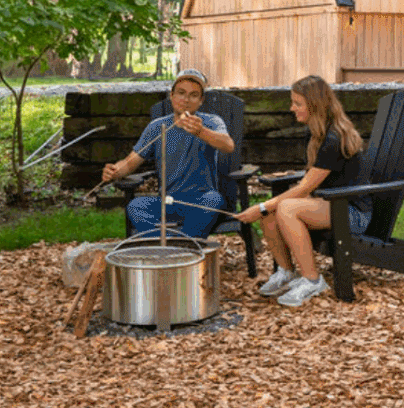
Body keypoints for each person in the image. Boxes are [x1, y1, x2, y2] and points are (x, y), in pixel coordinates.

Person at [235, 74, 371, 307]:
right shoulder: (316, 133)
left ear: (314, 104)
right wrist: (265, 209)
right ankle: (287, 273)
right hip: (330, 205)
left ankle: (312, 280)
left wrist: (260, 206)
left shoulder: (333, 138)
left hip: (351, 213)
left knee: (283, 208)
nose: (292, 108)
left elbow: (306, 187)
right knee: (271, 214)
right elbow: (311, 181)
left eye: (297, 103)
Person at [101, 69, 235, 239]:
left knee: (214, 201)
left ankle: (179, 246)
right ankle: (175, 245)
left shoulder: (211, 122)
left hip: (201, 200)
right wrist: (114, 171)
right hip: (168, 202)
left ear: (201, 101)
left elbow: (228, 145)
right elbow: (129, 162)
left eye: (193, 95)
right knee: (136, 206)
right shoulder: (157, 127)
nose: (186, 99)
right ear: (171, 96)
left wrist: (201, 132)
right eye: (181, 93)